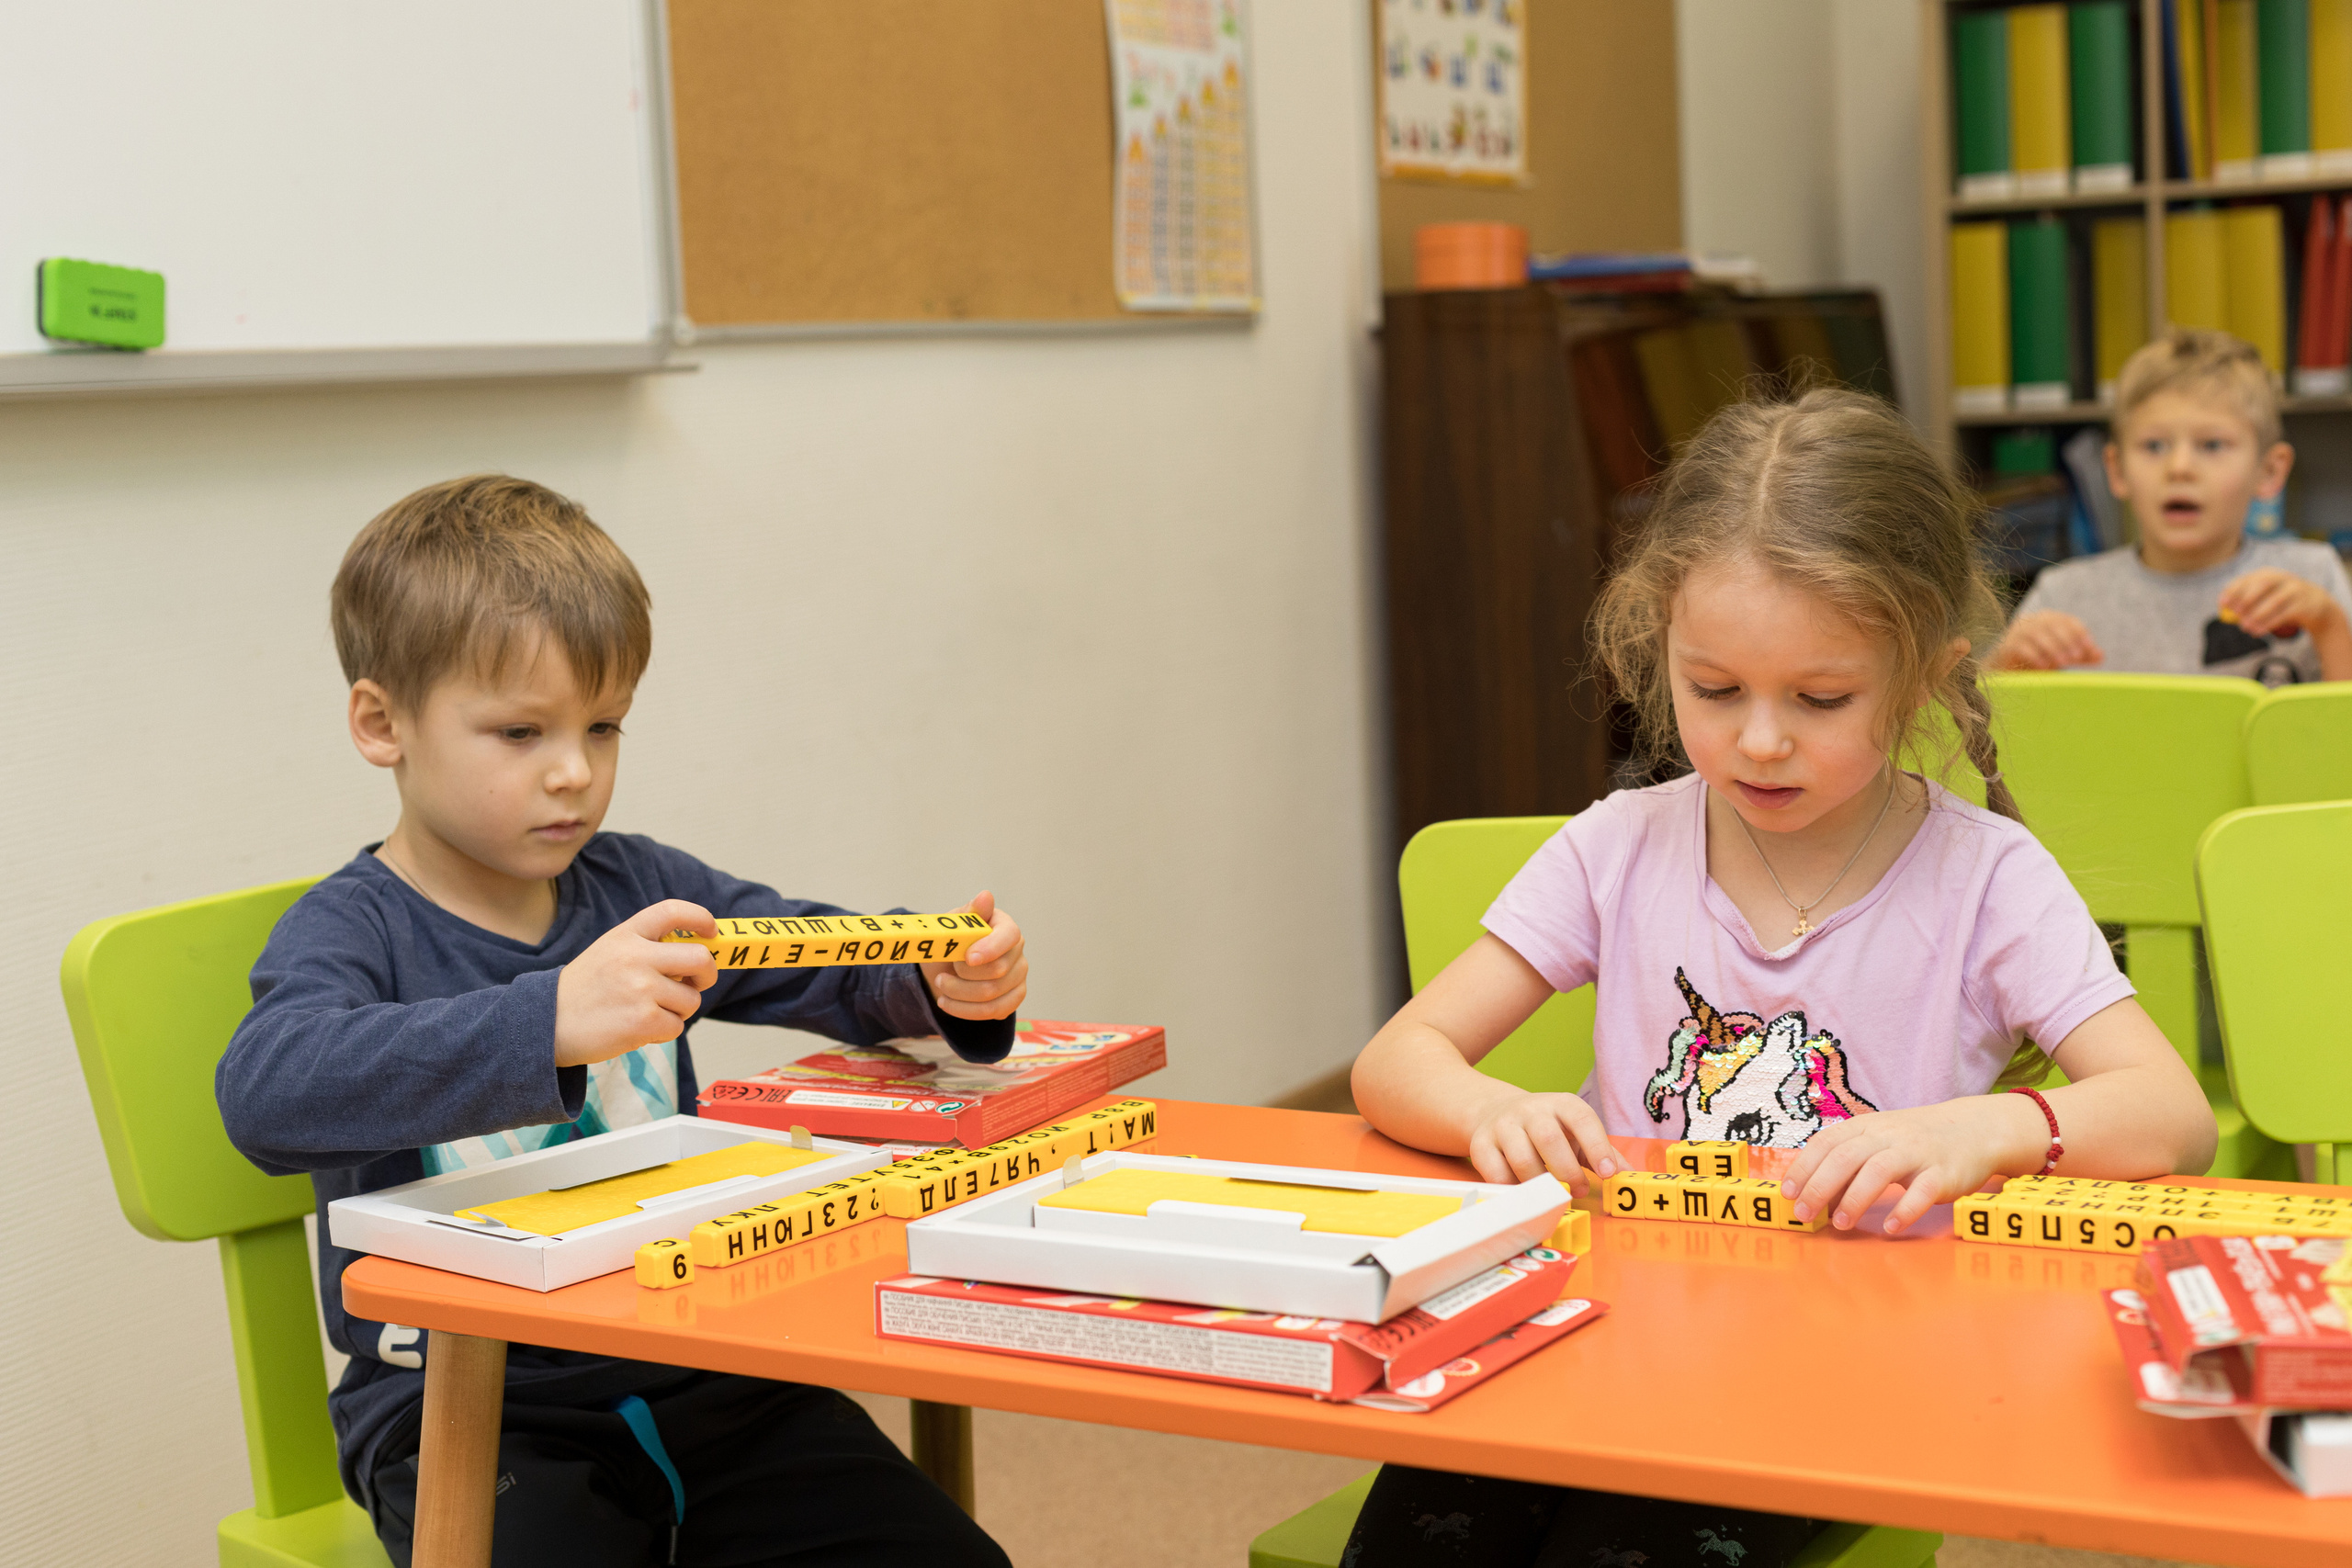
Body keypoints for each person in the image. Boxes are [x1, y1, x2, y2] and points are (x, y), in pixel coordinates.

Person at [1343, 390, 2216, 1568]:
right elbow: (1397, 1060)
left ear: (1921, 678)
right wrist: (1491, 1109)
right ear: (1660, 647)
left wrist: (1986, 1129)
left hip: (1844, 1367)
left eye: (1819, 700)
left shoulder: (1985, 877)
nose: (1759, 741)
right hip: (1598, 1330)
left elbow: (2174, 1117)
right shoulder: (1620, 844)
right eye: (1713, 691)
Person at [216, 476, 1021, 1568]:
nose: (575, 772)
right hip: (477, 1411)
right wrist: (547, 1018)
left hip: (712, 1373)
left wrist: (935, 980)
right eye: (519, 731)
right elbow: (268, 1092)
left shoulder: (634, 885)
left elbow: (811, 955)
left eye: (603, 726)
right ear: (381, 723)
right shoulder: (354, 932)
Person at [1993, 328, 2352, 685]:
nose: (2179, 468)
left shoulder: (2312, 578)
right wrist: (2008, 661)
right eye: (2154, 446)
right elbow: (1984, 725)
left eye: (2211, 445)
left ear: (2269, 471)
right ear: (2116, 470)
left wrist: (2328, 627)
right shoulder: (2063, 595)